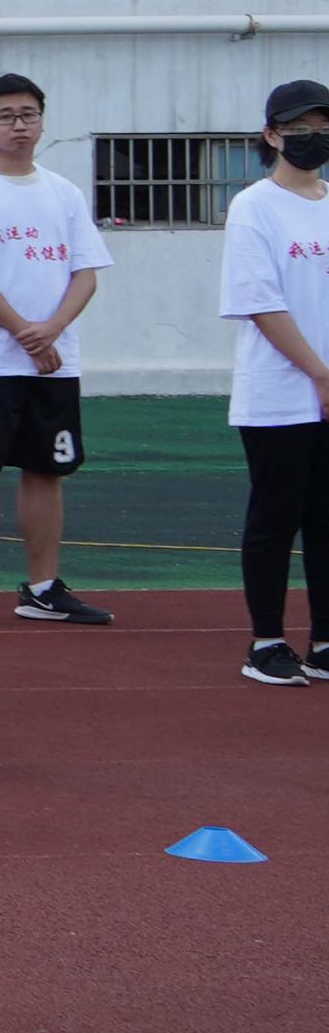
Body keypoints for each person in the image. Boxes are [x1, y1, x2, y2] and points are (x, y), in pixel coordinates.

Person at [0, 72, 114, 629]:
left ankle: (42, 588)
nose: (19, 125)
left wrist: (52, 329)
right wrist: (23, 332)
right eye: (6, 116)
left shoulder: (63, 192)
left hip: (54, 362)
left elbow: (86, 272)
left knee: (47, 469)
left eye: (29, 114)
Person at [222, 77, 329, 685]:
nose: (313, 137)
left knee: (326, 518)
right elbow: (261, 303)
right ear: (272, 135)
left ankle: (325, 641)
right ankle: (266, 642)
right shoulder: (254, 206)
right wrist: (318, 372)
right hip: (279, 392)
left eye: (323, 127)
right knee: (276, 516)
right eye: (300, 128)